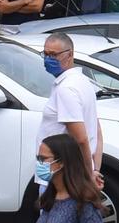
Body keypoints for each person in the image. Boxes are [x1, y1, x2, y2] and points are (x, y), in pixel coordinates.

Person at [37, 32, 102, 188]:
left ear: (70, 54)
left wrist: (88, 176)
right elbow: (97, 132)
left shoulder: (66, 89)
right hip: (68, 175)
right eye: (45, 54)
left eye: (53, 55)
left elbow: (81, 138)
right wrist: (94, 170)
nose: (48, 59)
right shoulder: (82, 82)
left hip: (61, 177)